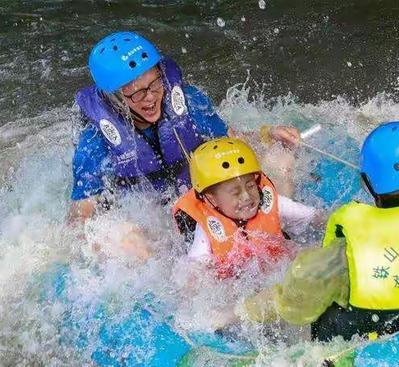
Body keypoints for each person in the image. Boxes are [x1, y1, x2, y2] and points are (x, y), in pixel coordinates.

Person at [241, 121, 399, 340]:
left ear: (367, 184)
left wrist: (244, 309)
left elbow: (294, 308)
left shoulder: (344, 254)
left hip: (369, 333)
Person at [68, 31, 301, 225]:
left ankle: (281, 232)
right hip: (147, 219)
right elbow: (81, 217)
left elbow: (232, 140)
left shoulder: (188, 103)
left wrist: (268, 135)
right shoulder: (94, 143)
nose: (150, 98)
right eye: (137, 93)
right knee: (121, 237)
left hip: (197, 196)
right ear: (115, 98)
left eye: (155, 83)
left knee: (281, 159)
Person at [173, 137, 325, 278]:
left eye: (251, 186)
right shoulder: (206, 229)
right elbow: (194, 273)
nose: (246, 196)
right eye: (235, 192)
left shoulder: (272, 203)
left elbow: (316, 218)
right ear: (212, 198)